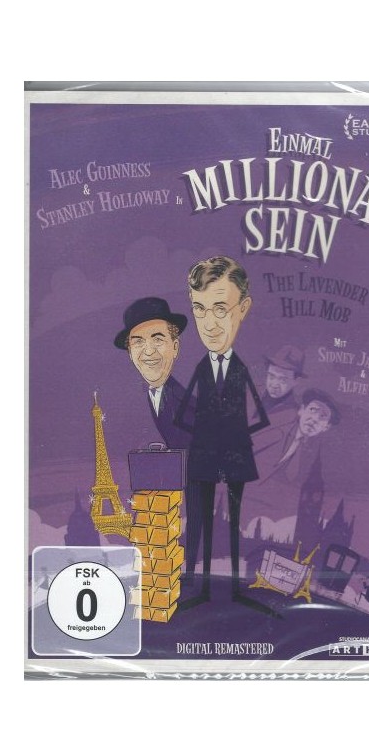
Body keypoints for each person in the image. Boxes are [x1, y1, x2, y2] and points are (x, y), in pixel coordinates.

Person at [174, 256, 274, 614]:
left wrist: (237, 435)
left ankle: (233, 589)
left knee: (232, 522)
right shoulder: (202, 366)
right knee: (200, 519)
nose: (210, 323)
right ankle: (198, 588)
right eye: (200, 310)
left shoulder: (240, 368)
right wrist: (201, 435)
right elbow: (182, 412)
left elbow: (259, 414)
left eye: (220, 309)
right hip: (204, 454)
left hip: (233, 455)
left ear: (242, 310)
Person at [114, 296, 200, 582]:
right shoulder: (141, 397)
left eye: (158, 339)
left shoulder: (188, 405)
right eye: (138, 342)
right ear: (130, 352)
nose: (148, 351)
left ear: (175, 347)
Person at [260, 345, 306, 419]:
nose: (274, 385)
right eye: (271, 376)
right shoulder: (252, 397)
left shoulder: (295, 414)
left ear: (296, 381)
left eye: (283, 380)